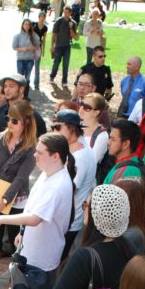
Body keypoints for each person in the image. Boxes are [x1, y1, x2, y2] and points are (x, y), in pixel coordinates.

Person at [0, 133, 75, 289]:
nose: (35, 155)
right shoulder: (49, 174)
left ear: (56, 156)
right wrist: (21, 233)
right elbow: (33, 213)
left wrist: (0, 220)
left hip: (39, 263)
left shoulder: (57, 185)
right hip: (32, 254)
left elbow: (36, 218)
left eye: (40, 152)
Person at [0, 98, 38, 275]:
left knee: (15, 240)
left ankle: (15, 278)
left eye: (15, 120)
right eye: (8, 119)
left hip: (17, 199)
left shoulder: (31, 147)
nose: (10, 123)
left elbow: (21, 178)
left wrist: (5, 200)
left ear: (26, 121)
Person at [51, 109, 96, 258]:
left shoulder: (81, 155)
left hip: (68, 221)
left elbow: (69, 189)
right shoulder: (74, 147)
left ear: (72, 128)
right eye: (53, 128)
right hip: (63, 217)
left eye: (58, 127)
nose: (54, 131)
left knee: (56, 263)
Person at [0, 74, 47, 139]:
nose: (7, 90)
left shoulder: (33, 116)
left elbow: (41, 142)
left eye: (11, 86)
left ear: (21, 89)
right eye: (5, 86)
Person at [102, 119, 145, 184]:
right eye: (109, 138)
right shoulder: (136, 163)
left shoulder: (124, 172)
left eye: (113, 139)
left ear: (126, 144)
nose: (108, 142)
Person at [78, 92, 110, 167]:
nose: (81, 109)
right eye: (81, 104)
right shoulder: (76, 126)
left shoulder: (101, 136)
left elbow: (91, 164)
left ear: (96, 112)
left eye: (87, 107)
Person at [49, 6, 77, 85]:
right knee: (56, 63)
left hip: (67, 46)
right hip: (58, 46)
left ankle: (64, 80)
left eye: (67, 12)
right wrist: (52, 46)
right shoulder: (58, 21)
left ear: (70, 13)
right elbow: (54, 34)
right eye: (64, 12)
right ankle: (52, 76)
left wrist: (71, 28)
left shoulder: (73, 23)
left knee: (66, 64)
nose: (65, 14)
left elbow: (75, 37)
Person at [13, 18, 40, 85]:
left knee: (27, 79)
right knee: (20, 79)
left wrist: (31, 48)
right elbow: (14, 47)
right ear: (22, 25)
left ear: (30, 26)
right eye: (25, 24)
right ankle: (20, 95)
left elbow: (37, 46)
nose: (27, 26)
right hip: (20, 59)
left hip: (30, 59)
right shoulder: (17, 36)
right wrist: (23, 49)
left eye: (28, 24)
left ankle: (25, 94)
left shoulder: (34, 35)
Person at [31, 12, 48, 91]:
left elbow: (44, 40)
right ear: (38, 17)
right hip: (31, 48)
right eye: (41, 16)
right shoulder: (33, 25)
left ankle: (36, 84)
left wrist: (43, 51)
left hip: (38, 48)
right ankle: (26, 82)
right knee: (29, 65)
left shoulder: (45, 28)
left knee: (37, 67)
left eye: (43, 17)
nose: (42, 18)